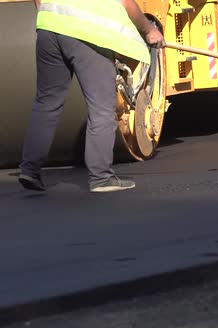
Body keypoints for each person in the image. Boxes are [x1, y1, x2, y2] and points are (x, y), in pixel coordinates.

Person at [18, 0, 165, 193]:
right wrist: (149, 30)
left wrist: (50, 18)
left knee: (46, 103)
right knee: (102, 107)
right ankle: (101, 178)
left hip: (49, 29)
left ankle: (29, 169)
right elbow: (126, 2)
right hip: (88, 34)